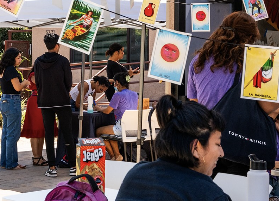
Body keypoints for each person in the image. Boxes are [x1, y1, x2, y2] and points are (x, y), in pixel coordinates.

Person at [187, 11, 279, 176]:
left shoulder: (198, 61)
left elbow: (194, 104)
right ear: (250, 38)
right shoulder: (257, 62)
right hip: (243, 142)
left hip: (207, 143)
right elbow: (269, 108)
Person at [116, 95, 231, 201]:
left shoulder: (136, 174)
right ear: (195, 148)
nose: (222, 153)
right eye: (218, 144)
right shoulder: (211, 195)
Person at [34, 33, 76, 177]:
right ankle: (73, 167)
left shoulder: (38, 61)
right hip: (62, 101)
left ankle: (52, 167)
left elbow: (37, 82)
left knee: (49, 134)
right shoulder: (63, 61)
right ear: (57, 45)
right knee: (67, 132)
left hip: (45, 101)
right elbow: (68, 83)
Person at [0, 47, 30, 170]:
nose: (20, 60)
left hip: (4, 100)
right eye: (18, 57)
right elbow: (17, 87)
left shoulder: (3, 69)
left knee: (6, 133)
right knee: (13, 134)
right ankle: (11, 163)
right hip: (12, 101)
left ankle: (5, 161)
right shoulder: (11, 69)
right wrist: (25, 83)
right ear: (11, 58)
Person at [95, 72, 138, 161]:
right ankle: (117, 156)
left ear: (117, 82)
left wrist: (98, 108)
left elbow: (107, 111)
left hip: (122, 128)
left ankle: (113, 155)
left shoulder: (118, 94)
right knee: (109, 132)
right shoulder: (134, 94)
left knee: (98, 131)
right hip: (134, 129)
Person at [21, 67, 58, 166]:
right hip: (36, 101)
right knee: (35, 130)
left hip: (43, 100)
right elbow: (42, 84)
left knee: (42, 130)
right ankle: (36, 157)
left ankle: (39, 156)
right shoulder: (34, 74)